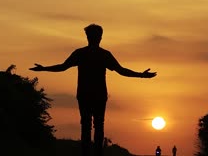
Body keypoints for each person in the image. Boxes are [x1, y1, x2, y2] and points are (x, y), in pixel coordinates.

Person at [30, 24, 157, 156]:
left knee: (86, 126)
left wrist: (44, 68)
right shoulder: (104, 55)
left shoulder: (80, 53)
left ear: (87, 37)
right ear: (100, 37)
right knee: (98, 126)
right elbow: (122, 71)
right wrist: (141, 75)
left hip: (85, 94)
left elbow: (62, 67)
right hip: (98, 95)